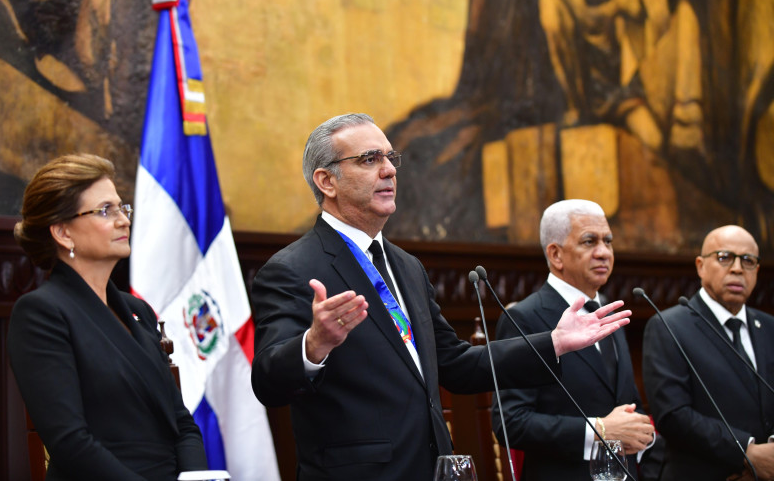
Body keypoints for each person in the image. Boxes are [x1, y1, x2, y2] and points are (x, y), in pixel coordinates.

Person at [250, 113, 632, 481]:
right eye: (369, 159)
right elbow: (268, 382)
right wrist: (313, 345)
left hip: (432, 467)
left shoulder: (407, 266)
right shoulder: (292, 269)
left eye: (389, 157)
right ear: (326, 181)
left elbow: (457, 364)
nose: (389, 170)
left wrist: (553, 343)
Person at [7, 154, 208, 481]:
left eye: (122, 207)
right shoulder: (41, 314)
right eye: (105, 210)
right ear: (63, 233)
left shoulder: (138, 311)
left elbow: (182, 423)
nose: (124, 220)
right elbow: (70, 443)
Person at [490, 199, 654, 480]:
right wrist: (599, 431)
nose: (604, 252)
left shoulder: (608, 312)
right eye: (589, 241)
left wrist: (641, 434)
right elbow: (510, 422)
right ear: (556, 255)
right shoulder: (525, 318)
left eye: (608, 241)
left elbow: (626, 404)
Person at [643, 225, 774, 481]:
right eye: (724, 257)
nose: (737, 268)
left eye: (748, 260)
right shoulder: (668, 326)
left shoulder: (770, 327)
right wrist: (746, 453)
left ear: (757, 271)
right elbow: (673, 415)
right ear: (701, 265)